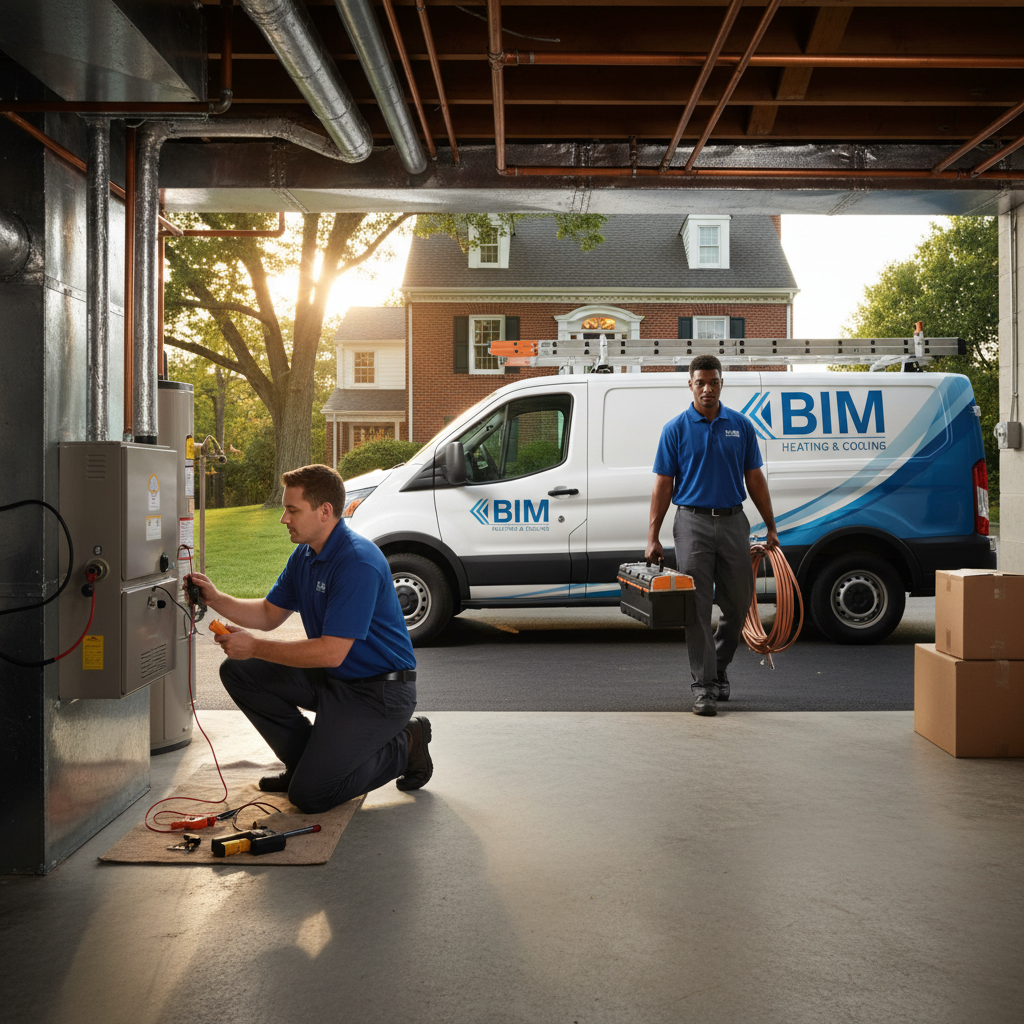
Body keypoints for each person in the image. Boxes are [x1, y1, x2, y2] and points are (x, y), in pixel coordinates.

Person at [186, 464, 429, 813]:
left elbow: (331, 652)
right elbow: (270, 615)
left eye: (292, 509)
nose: (284, 518)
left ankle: (407, 743)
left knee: (311, 796)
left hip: (379, 693)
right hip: (335, 680)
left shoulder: (356, 562)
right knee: (240, 671)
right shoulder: (306, 555)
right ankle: (303, 764)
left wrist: (254, 646)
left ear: (325, 511)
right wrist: (216, 599)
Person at [645, 355, 780, 717]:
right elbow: (663, 484)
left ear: (722, 384)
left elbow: (754, 478)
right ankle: (703, 684)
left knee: (738, 605)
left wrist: (770, 525)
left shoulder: (740, 426)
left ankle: (718, 666)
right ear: (690, 384)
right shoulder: (675, 429)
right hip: (692, 524)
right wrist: (653, 536)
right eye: (701, 382)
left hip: (735, 522)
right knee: (697, 609)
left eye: (714, 382)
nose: (708, 388)